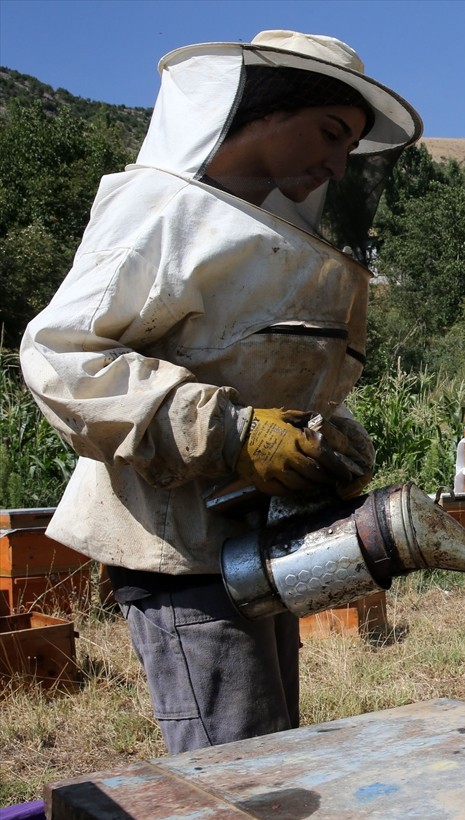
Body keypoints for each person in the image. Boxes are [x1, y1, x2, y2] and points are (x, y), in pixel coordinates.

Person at [20, 30, 422, 752]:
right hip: (173, 545)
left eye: (351, 147)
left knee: (269, 754)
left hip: (257, 544)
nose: (337, 164)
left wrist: (328, 440)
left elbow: (264, 372)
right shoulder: (161, 209)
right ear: (266, 109)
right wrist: (231, 432)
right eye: (330, 133)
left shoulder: (259, 227)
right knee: (232, 768)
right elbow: (64, 357)